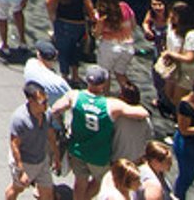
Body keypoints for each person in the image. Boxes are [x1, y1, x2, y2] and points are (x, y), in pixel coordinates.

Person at [51, 66, 150, 196]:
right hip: (99, 154)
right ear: (103, 83)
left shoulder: (75, 96)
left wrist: (62, 124)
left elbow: (54, 110)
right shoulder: (111, 105)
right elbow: (143, 113)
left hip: (78, 150)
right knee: (100, 181)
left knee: (80, 182)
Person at [5, 82, 57, 200]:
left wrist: (56, 157)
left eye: (46, 100)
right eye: (42, 102)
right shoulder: (20, 118)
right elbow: (14, 145)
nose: (46, 105)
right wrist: (21, 170)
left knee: (48, 194)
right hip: (25, 162)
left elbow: (51, 136)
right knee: (17, 189)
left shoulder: (47, 115)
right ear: (31, 101)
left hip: (42, 160)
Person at [160, 1, 194, 107]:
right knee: (169, 94)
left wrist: (171, 54)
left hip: (186, 72)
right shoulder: (171, 26)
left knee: (179, 100)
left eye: (175, 15)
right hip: (172, 68)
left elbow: (190, 57)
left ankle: (185, 120)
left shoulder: (192, 35)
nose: (172, 16)